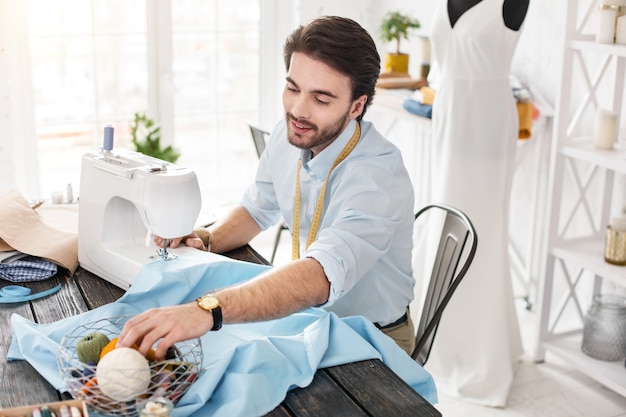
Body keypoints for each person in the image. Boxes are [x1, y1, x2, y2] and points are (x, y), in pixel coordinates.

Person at [118, 16, 416, 358]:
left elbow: (321, 275)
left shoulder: (379, 177)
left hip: (373, 338)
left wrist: (207, 310)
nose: (297, 110)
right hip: (312, 320)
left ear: (356, 106)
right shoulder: (289, 133)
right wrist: (209, 238)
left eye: (321, 99)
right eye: (292, 88)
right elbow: (257, 209)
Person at [425, 0, 529, 407]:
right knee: (442, 226)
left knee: (481, 232)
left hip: (485, 125)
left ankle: (479, 353)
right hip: (449, 116)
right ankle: (438, 336)